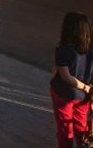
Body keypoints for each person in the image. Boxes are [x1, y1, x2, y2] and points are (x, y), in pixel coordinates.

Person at [50, 12, 93, 148]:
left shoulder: (63, 50)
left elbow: (66, 77)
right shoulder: (90, 50)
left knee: (65, 128)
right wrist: (87, 88)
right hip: (84, 97)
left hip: (64, 94)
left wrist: (83, 87)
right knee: (81, 126)